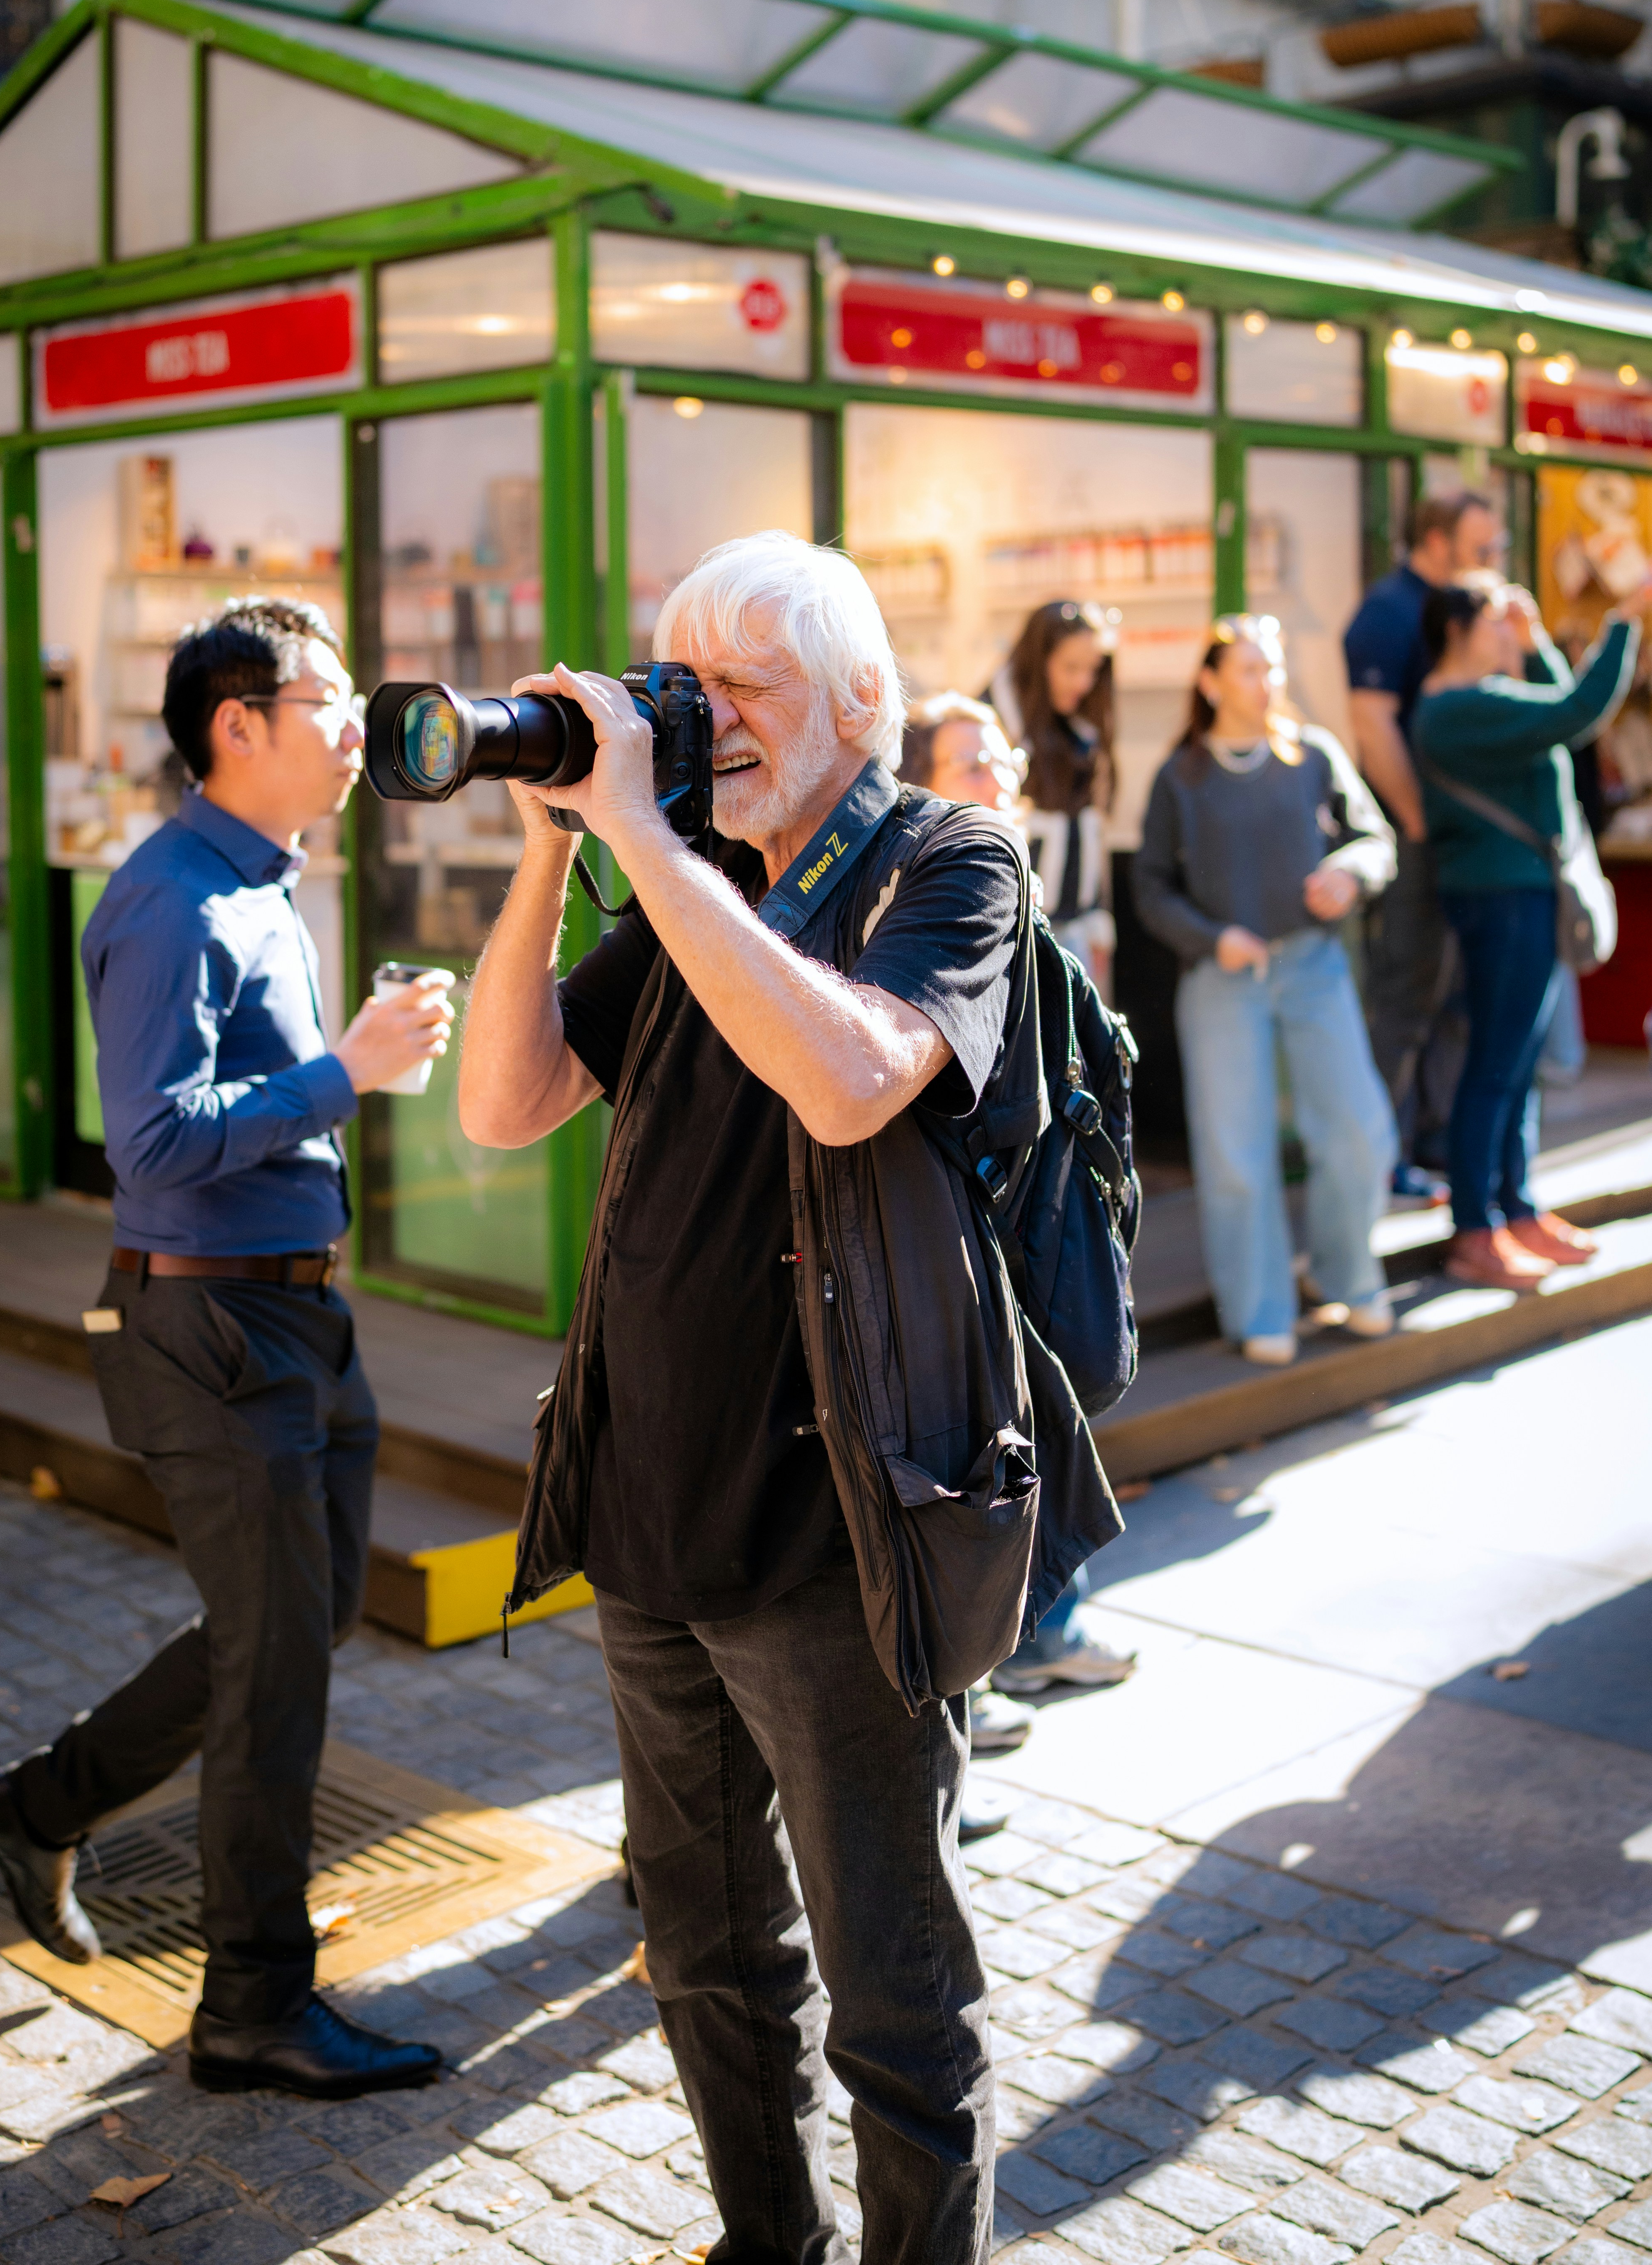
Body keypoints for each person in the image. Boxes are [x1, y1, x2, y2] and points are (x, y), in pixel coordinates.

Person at [459, 532, 1027, 2246]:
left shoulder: (945, 860)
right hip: (649, 1517)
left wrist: (644, 836)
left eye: (747, 687)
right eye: (685, 687)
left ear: (862, 697)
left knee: (892, 1997)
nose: (705, 721)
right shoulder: (689, 869)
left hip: (835, 1537)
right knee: (704, 1952)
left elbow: (852, 1079)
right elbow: (505, 1102)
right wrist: (552, 853)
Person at [0, 600, 455, 2101]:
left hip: (292, 1318)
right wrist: (344, 1072)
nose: (359, 724)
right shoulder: (173, 900)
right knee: (276, 1663)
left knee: (300, 1618)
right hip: (213, 1327)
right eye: (331, 698)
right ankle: (251, 2003)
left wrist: (342, 1061)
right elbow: (153, 1143)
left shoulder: (259, 882)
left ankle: (35, 1808)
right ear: (238, 723)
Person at [900, 691, 1137, 1709]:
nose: (998, 775)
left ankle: (1023, 1644)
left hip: (1032, 1215)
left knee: (1038, 1422)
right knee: (1004, 1435)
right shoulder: (940, 905)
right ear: (919, 789)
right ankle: (993, 1663)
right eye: (970, 763)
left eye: (1001, 756)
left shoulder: (1011, 891)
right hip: (981, 1227)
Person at [1134, 616, 1398, 1364]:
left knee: (1358, 1130)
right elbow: (1151, 888)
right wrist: (1211, 937)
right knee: (1236, 1153)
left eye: (1273, 667)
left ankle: (1345, 1274)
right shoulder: (1180, 776)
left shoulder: (1314, 755)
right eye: (1250, 669)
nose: (1267, 682)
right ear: (1211, 682)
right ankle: (1259, 1310)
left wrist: (1350, 872)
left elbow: (1375, 841)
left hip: (1314, 965)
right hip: (1221, 976)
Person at [1413, 574, 1642, 1290]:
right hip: (1502, 898)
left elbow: (1560, 715)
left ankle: (1516, 1208)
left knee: (1518, 1066)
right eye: (1495, 621)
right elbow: (1575, 713)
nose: (1505, 632)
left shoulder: (1482, 700)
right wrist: (1624, 623)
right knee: (1496, 1065)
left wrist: (1537, 640)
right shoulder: (1459, 708)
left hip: (1518, 895)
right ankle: (1475, 1228)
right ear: (1458, 631)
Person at [1344, 491, 1504, 1198]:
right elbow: (1372, 726)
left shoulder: (1466, 607)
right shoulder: (1387, 612)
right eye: (1480, 548)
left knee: (1457, 995)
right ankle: (1384, 1153)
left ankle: (1438, 1140)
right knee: (1406, 994)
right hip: (1414, 841)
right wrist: (1415, 821)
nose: (1492, 560)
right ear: (1436, 541)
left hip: (1464, 843)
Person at [990, 597, 1117, 993]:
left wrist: (1098, 920)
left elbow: (1093, 835)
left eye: (1092, 669)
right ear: (1038, 662)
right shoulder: (992, 729)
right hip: (1010, 939)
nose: (1083, 683)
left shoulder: (1081, 729)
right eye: (1071, 668)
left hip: (1076, 936)